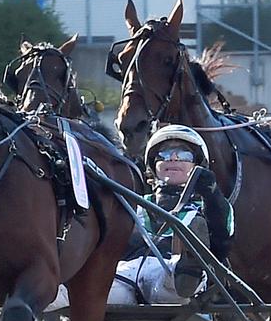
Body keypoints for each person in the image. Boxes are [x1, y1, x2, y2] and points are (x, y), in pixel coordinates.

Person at [46, 124, 233, 310]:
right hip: (123, 274)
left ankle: (188, 268)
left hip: (170, 277)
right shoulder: (132, 202)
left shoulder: (210, 206)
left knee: (174, 278)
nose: (173, 158)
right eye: (164, 155)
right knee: (58, 293)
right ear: (154, 165)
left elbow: (222, 242)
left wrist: (212, 195)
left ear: (197, 164)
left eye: (184, 154)